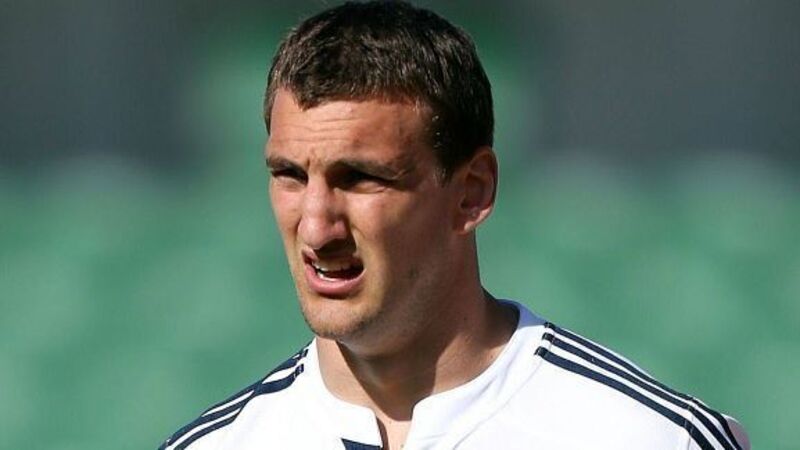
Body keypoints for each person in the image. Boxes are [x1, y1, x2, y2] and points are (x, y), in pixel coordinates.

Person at [159, 2, 750, 449]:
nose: (316, 227)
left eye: (360, 178)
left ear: (472, 193)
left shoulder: (649, 437)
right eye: (289, 175)